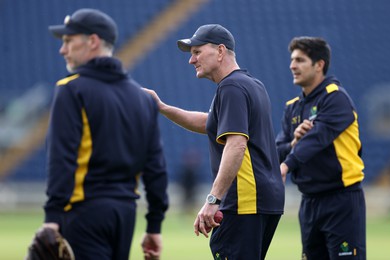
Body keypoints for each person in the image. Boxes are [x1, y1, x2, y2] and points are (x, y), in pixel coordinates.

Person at [144, 24, 284, 259]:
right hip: (265, 200)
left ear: (220, 51)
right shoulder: (251, 84)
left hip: (244, 201)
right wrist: (162, 107)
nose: (191, 60)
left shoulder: (231, 87)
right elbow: (210, 123)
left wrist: (213, 199)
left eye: (197, 52)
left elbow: (236, 143)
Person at [44, 8, 168, 260]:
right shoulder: (142, 97)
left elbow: (62, 158)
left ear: (92, 41)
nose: (62, 49)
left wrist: (52, 218)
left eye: (68, 41)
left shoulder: (71, 89)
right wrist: (154, 225)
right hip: (125, 216)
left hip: (82, 213)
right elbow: (156, 166)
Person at [276, 36, 366, 259]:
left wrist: (287, 164)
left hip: (342, 200)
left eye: (300, 60)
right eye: (292, 60)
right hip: (308, 202)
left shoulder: (336, 99)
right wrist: (293, 144)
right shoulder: (292, 108)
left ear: (319, 65)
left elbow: (318, 138)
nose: (292, 66)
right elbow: (278, 150)